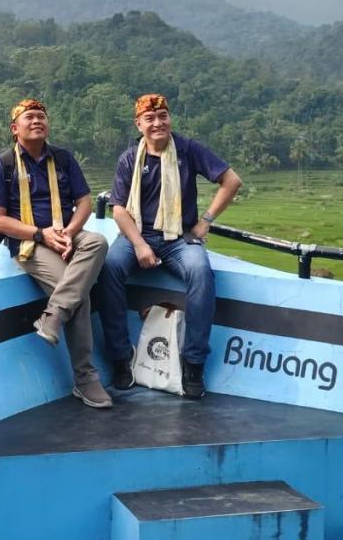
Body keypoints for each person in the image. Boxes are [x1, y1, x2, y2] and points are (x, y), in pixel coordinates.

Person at [99, 94, 242, 399]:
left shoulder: (188, 150)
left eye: (163, 116)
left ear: (170, 119)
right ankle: (121, 357)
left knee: (200, 272)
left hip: (178, 238)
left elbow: (231, 181)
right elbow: (119, 210)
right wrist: (139, 245)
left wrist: (205, 222)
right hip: (136, 235)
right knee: (109, 269)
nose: (158, 123)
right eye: (149, 119)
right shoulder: (129, 159)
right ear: (139, 124)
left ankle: (193, 363)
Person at [0, 99, 113, 409]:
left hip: (65, 231)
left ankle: (53, 316)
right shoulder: (4, 165)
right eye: (29, 117)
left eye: (41, 116)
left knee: (97, 242)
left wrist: (68, 231)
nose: (37, 121)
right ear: (15, 129)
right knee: (78, 295)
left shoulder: (63, 159)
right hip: (31, 242)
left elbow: (84, 202)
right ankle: (85, 378)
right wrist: (41, 234)